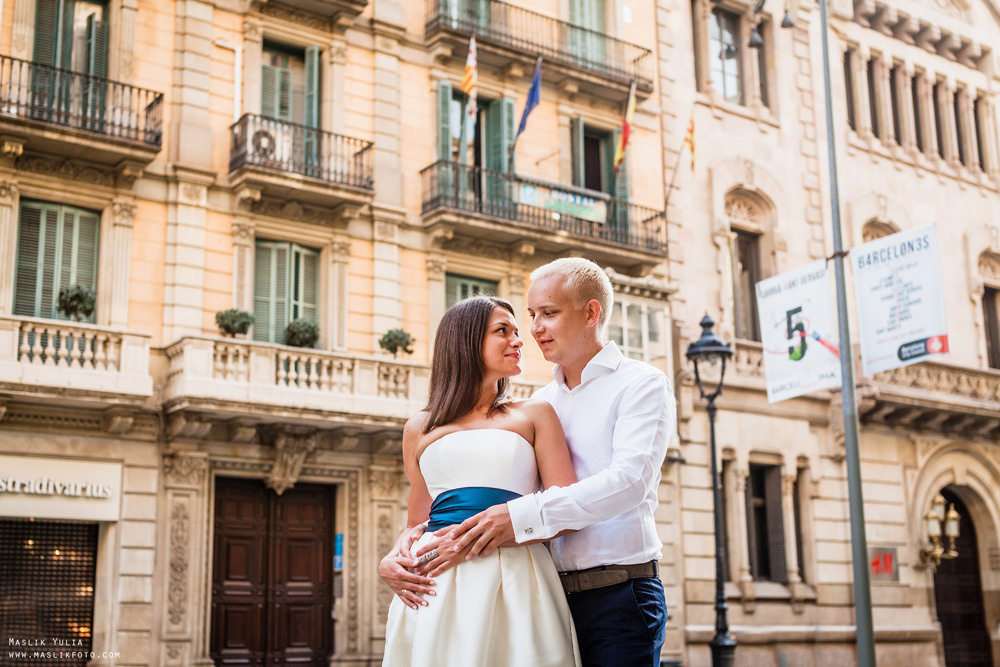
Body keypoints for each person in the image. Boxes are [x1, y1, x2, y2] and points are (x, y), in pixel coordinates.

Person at [385, 258, 675, 666]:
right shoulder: (542, 401)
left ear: (590, 313)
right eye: (531, 315)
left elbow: (631, 481)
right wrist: (399, 554)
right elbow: (421, 517)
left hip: (617, 591)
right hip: (542, 587)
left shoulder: (640, 383)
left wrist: (513, 518)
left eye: (548, 313)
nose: (533, 329)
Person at [380, 295, 582, 667]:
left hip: (516, 577)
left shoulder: (535, 413)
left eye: (517, 332)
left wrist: (493, 532)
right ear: (466, 341)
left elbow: (568, 509)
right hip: (435, 581)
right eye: (502, 331)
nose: (518, 340)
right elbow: (416, 523)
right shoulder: (418, 428)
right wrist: (392, 560)